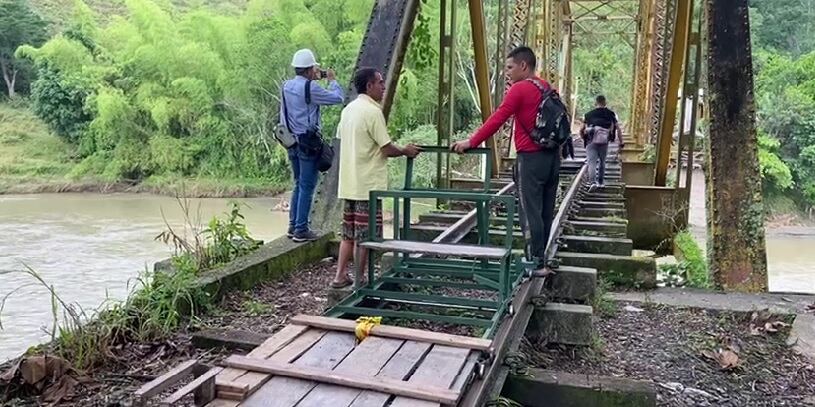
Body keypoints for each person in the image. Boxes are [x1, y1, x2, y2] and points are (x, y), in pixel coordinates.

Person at [450, 46, 560, 275]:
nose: (507, 73)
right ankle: (541, 258)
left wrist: (472, 141)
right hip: (552, 158)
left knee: (530, 212)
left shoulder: (519, 89)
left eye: (509, 67)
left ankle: (535, 263)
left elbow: (498, 118)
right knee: (545, 210)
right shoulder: (546, 87)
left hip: (530, 158)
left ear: (523, 66)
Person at [332, 68, 422, 288]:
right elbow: (386, 148)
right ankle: (360, 281)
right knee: (365, 235)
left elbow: (342, 138)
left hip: (349, 183)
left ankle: (340, 276)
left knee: (348, 234)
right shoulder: (373, 112)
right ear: (369, 86)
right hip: (368, 186)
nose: (383, 86)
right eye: (380, 82)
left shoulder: (348, 110)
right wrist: (405, 151)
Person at [281, 49, 344, 242]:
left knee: (299, 183)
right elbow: (338, 98)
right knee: (308, 185)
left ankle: (293, 226)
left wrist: (313, 81)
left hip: (291, 140)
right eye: (314, 69)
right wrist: (331, 80)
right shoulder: (311, 88)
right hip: (308, 143)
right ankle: (301, 229)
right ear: (309, 69)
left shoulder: (286, 86)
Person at [580, 95, 624, 189]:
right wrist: (621, 142)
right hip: (604, 141)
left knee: (592, 162)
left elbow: (581, 129)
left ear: (595, 103)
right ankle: (601, 182)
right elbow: (618, 129)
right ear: (605, 103)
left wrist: (584, 138)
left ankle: (592, 182)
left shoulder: (589, 114)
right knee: (602, 161)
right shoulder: (610, 114)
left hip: (591, 141)